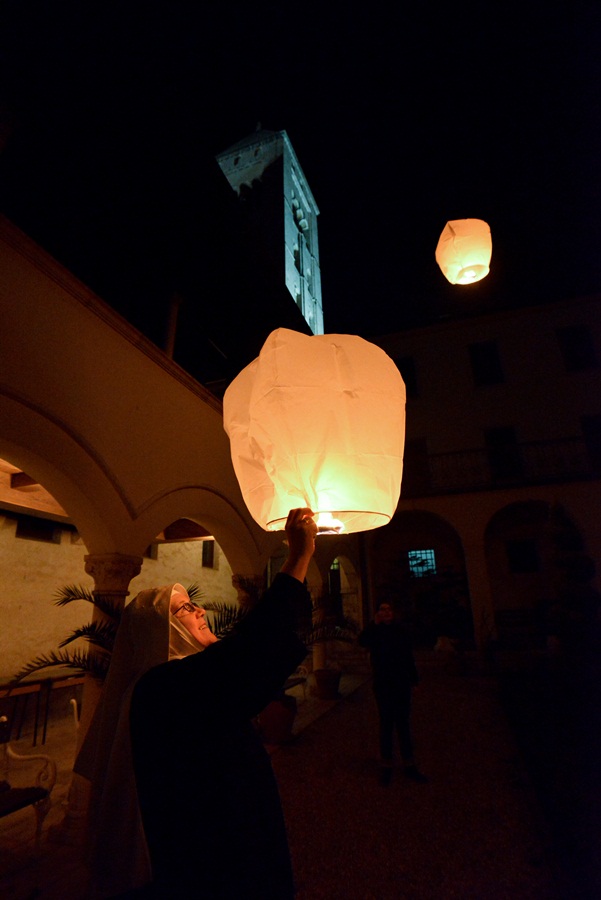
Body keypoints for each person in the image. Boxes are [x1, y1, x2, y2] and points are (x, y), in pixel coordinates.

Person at [74, 507, 316, 899]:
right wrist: (299, 557)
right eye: (184, 608)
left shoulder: (175, 680)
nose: (199, 610)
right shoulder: (162, 686)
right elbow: (251, 655)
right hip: (210, 861)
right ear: (158, 629)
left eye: (192, 603)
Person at [358, 600, 427, 787]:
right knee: (386, 723)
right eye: (382, 609)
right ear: (378, 613)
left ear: (394, 612)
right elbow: (362, 640)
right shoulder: (376, 631)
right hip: (383, 684)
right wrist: (374, 624)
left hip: (401, 683)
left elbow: (408, 657)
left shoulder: (401, 631)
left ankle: (409, 765)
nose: (386, 612)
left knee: (403, 723)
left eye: (389, 609)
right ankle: (386, 766)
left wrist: (414, 680)